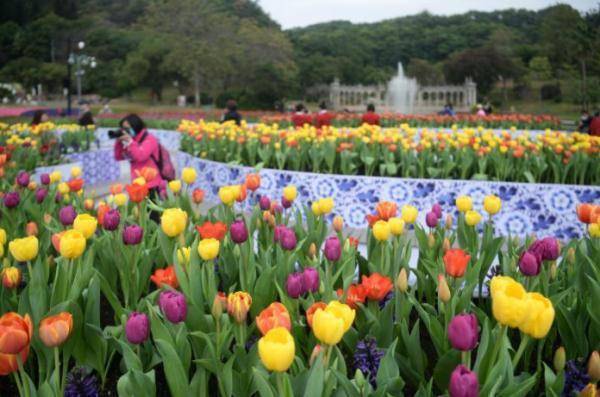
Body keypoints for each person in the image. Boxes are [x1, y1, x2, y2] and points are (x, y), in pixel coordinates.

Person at [114, 114, 165, 201]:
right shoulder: (132, 141)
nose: (125, 131)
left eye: (127, 128)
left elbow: (141, 156)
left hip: (151, 184)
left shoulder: (149, 139)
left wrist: (130, 142)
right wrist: (119, 143)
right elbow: (119, 157)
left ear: (136, 126)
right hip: (137, 183)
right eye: (123, 128)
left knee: (152, 213)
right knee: (138, 213)